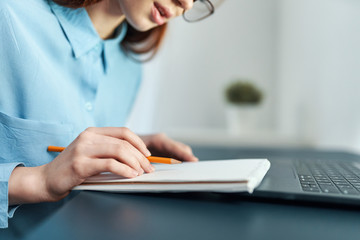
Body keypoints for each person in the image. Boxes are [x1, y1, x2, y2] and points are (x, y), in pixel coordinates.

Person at [0, 0, 216, 228]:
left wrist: (119, 149)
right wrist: (40, 180)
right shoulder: (8, 17)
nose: (187, 4)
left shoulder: (130, 70)